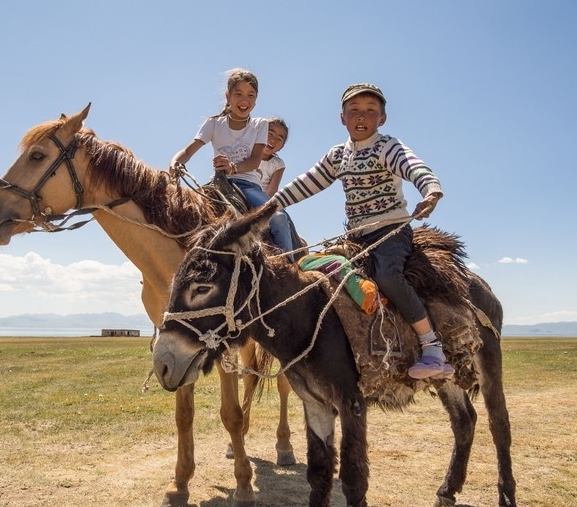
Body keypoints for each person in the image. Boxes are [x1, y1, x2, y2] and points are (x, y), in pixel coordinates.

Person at [271, 82, 453, 379]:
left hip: (390, 231)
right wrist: (271, 206)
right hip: (356, 235)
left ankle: (431, 346)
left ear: (382, 118)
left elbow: (413, 166)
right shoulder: (338, 155)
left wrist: (431, 190)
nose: (361, 116)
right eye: (353, 110)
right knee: (312, 268)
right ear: (342, 117)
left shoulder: (387, 146)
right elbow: (308, 183)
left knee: (386, 276)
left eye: (370, 111)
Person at [169, 69, 295, 259]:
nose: (244, 100)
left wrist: (233, 167)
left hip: (248, 184)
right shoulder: (213, 124)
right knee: (183, 214)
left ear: (256, 100)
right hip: (219, 183)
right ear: (228, 96)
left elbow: (254, 160)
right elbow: (188, 151)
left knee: (278, 218)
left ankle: (288, 268)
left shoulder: (260, 125)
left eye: (250, 95)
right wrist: (175, 163)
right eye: (238, 94)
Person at [256, 117, 289, 198]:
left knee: (279, 211)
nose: (273, 140)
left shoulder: (278, 165)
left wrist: (264, 207)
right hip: (240, 188)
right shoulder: (246, 151)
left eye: (279, 139)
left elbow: (272, 191)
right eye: (270, 134)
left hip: (261, 198)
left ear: (282, 146)